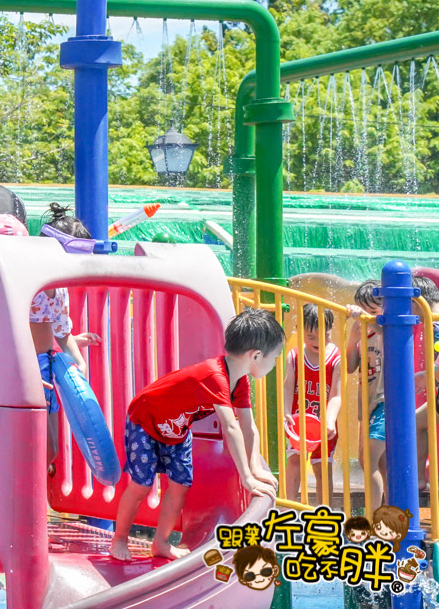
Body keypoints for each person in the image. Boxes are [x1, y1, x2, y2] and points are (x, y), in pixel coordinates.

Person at [109, 308, 282, 561]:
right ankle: (120, 538)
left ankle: (160, 544)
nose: (275, 363)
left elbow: (248, 425)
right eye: (275, 357)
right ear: (256, 355)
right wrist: (245, 478)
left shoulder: (240, 381)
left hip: (177, 428)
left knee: (180, 486)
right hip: (145, 420)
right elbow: (230, 426)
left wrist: (255, 469)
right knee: (141, 485)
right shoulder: (215, 376)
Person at [25, 204, 102, 471]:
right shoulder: (28, 282)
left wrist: (77, 358)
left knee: (51, 449)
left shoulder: (59, 290)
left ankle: (30, 497)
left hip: (47, 367)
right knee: (41, 446)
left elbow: (61, 332)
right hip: (26, 368)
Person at [282, 303, 341, 504]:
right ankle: (288, 508)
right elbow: (288, 386)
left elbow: (336, 395)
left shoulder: (335, 358)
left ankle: (325, 514)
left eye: (324, 334)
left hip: (324, 424)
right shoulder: (295, 356)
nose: (318, 341)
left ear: (331, 329)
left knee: (323, 467)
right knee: (294, 461)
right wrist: (285, 412)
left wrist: (330, 420)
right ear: (300, 331)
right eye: (311, 336)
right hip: (299, 423)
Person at [345, 279, 387, 510]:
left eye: (373, 311)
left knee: (370, 458)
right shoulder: (364, 332)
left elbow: (386, 334)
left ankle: (375, 521)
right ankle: (389, 515)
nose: (368, 316)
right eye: (365, 311)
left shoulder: (387, 328)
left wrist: (368, 320)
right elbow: (351, 366)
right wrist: (354, 334)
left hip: (384, 402)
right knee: (372, 460)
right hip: (368, 405)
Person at [412, 275, 439, 479]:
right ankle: (419, 478)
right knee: (417, 422)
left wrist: (428, 376)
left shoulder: (436, 324)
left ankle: (420, 478)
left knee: (416, 422)